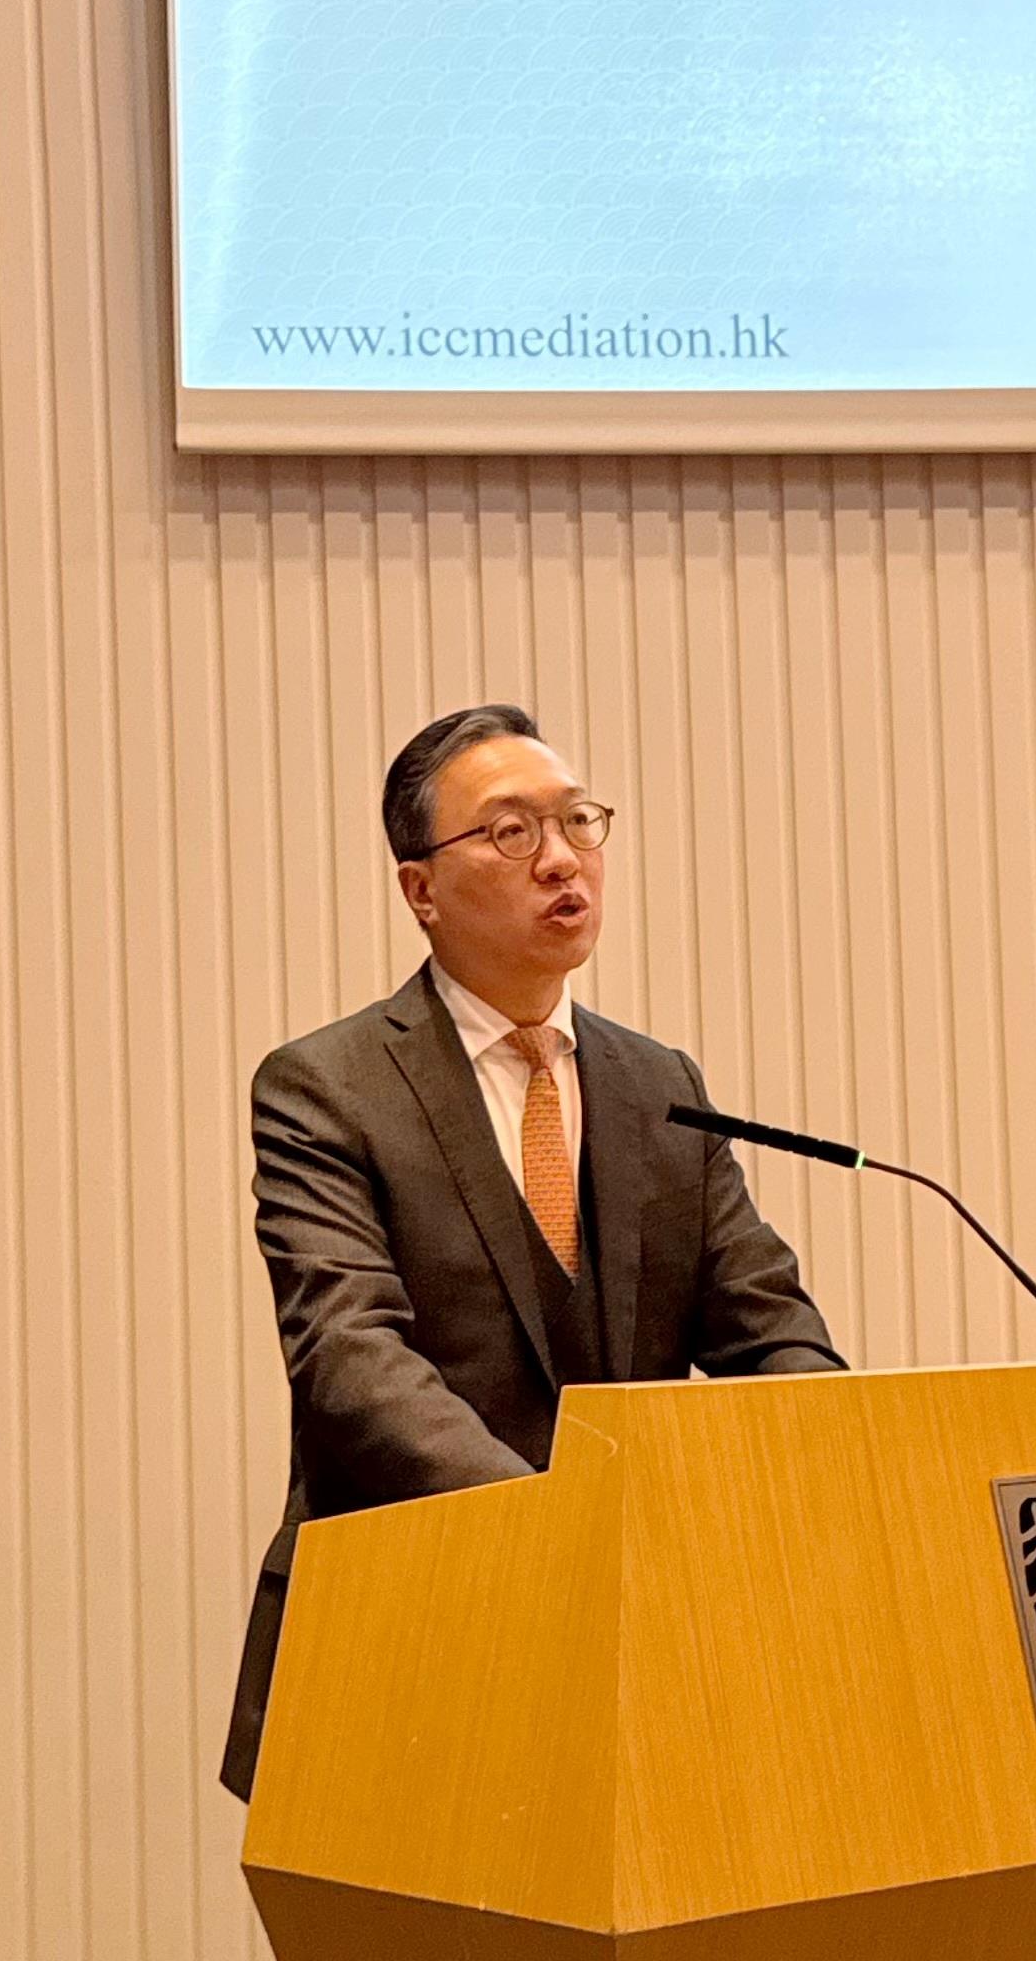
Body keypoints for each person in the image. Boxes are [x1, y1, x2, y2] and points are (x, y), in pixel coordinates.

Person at [221, 701, 841, 1795]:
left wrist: (819, 1460)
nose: (561, 858)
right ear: (420, 888)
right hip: (407, 1637)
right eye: (511, 832)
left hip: (634, 1658)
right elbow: (350, 1362)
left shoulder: (659, 1087)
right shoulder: (327, 1088)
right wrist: (556, 1534)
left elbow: (769, 1329)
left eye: (578, 822)